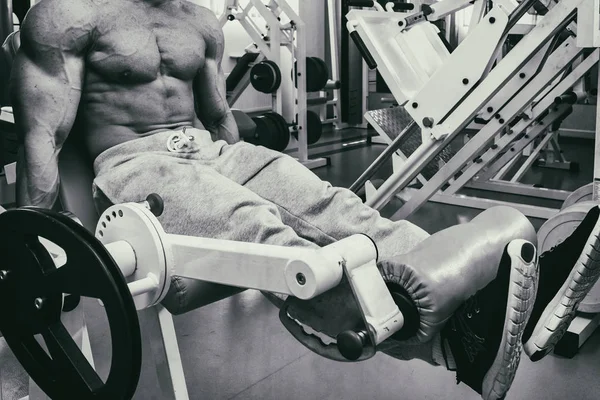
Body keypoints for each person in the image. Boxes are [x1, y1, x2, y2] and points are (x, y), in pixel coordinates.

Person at [8, 0, 600, 398]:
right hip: (138, 164)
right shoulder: (65, 16)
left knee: (340, 210)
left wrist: (247, 169)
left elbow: (220, 120)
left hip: (215, 153)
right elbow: (45, 136)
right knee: (257, 226)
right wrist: (40, 257)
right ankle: (390, 320)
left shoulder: (199, 21)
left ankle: (474, 312)